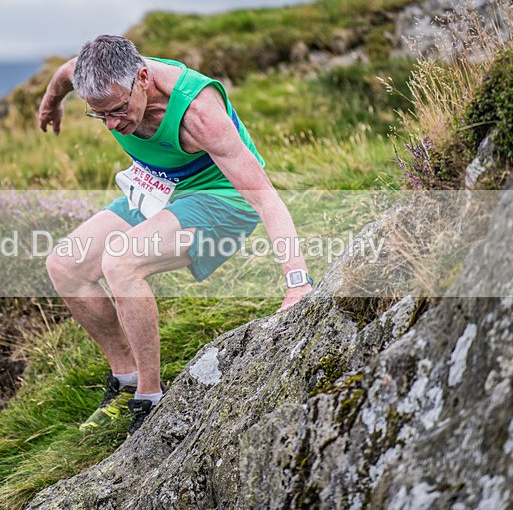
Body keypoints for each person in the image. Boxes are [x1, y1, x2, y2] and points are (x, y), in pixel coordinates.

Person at [39, 35, 312, 434]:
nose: (113, 124)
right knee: (64, 264)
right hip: (159, 188)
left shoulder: (198, 113)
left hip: (221, 199)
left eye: (117, 110)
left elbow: (266, 200)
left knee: (121, 261)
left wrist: (297, 283)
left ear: (144, 78)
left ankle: (149, 397)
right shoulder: (95, 79)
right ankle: (126, 378)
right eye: (99, 116)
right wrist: (50, 104)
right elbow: (64, 73)